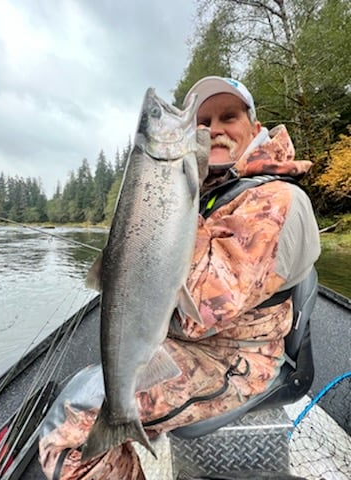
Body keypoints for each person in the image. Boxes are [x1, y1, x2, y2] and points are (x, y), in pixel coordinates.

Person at [39, 76, 321, 479]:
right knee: (86, 388)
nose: (214, 129)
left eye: (229, 116)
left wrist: (173, 200)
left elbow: (200, 313)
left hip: (235, 361)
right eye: (203, 121)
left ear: (256, 130)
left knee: (73, 427)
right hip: (193, 345)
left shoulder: (277, 200)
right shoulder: (211, 190)